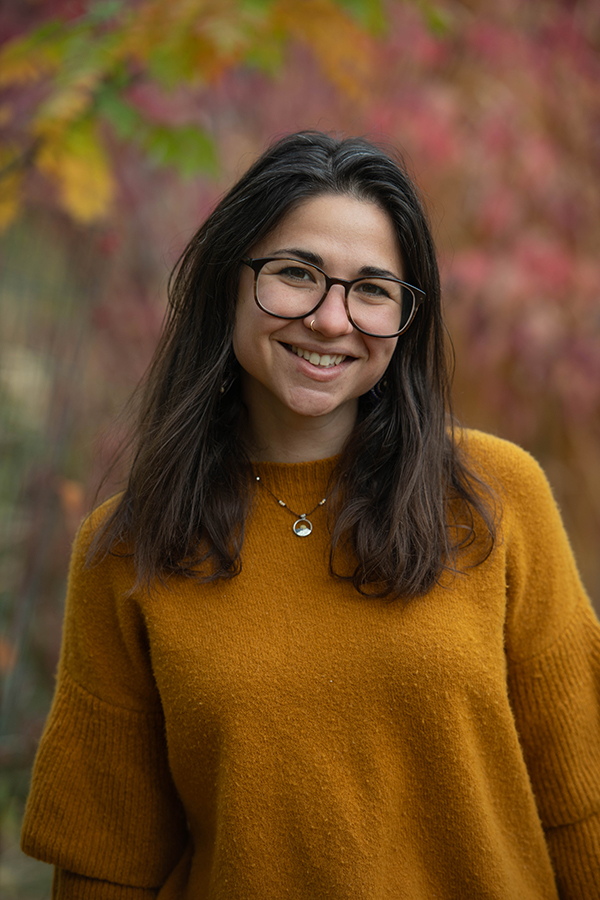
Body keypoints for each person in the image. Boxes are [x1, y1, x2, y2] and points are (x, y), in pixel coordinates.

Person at [21, 131, 600, 899]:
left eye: (371, 290)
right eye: (297, 274)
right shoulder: (129, 547)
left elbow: (582, 806)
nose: (332, 321)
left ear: (406, 318)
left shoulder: (496, 496)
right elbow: (104, 864)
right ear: (229, 282)